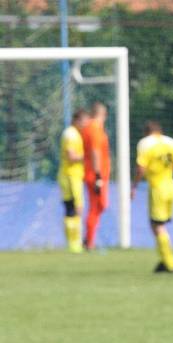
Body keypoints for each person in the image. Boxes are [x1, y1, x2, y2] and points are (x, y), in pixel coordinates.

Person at [131, 121, 173, 273]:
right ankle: (163, 260)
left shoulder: (145, 144)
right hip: (171, 186)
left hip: (157, 188)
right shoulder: (171, 142)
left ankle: (170, 263)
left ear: (146, 132)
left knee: (157, 226)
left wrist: (134, 186)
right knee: (160, 225)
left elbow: (141, 168)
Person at [58, 108, 89, 253]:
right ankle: (74, 243)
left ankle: (73, 243)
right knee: (75, 208)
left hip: (72, 175)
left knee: (72, 208)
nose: (85, 125)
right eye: (84, 121)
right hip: (70, 176)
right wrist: (88, 156)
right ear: (77, 120)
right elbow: (71, 156)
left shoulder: (75, 133)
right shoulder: (71, 134)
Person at [81, 102, 111, 250]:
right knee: (95, 206)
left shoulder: (90, 127)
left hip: (95, 173)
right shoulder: (94, 128)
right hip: (95, 174)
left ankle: (88, 239)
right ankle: (89, 241)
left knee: (100, 205)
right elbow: (95, 151)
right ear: (102, 114)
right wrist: (98, 175)